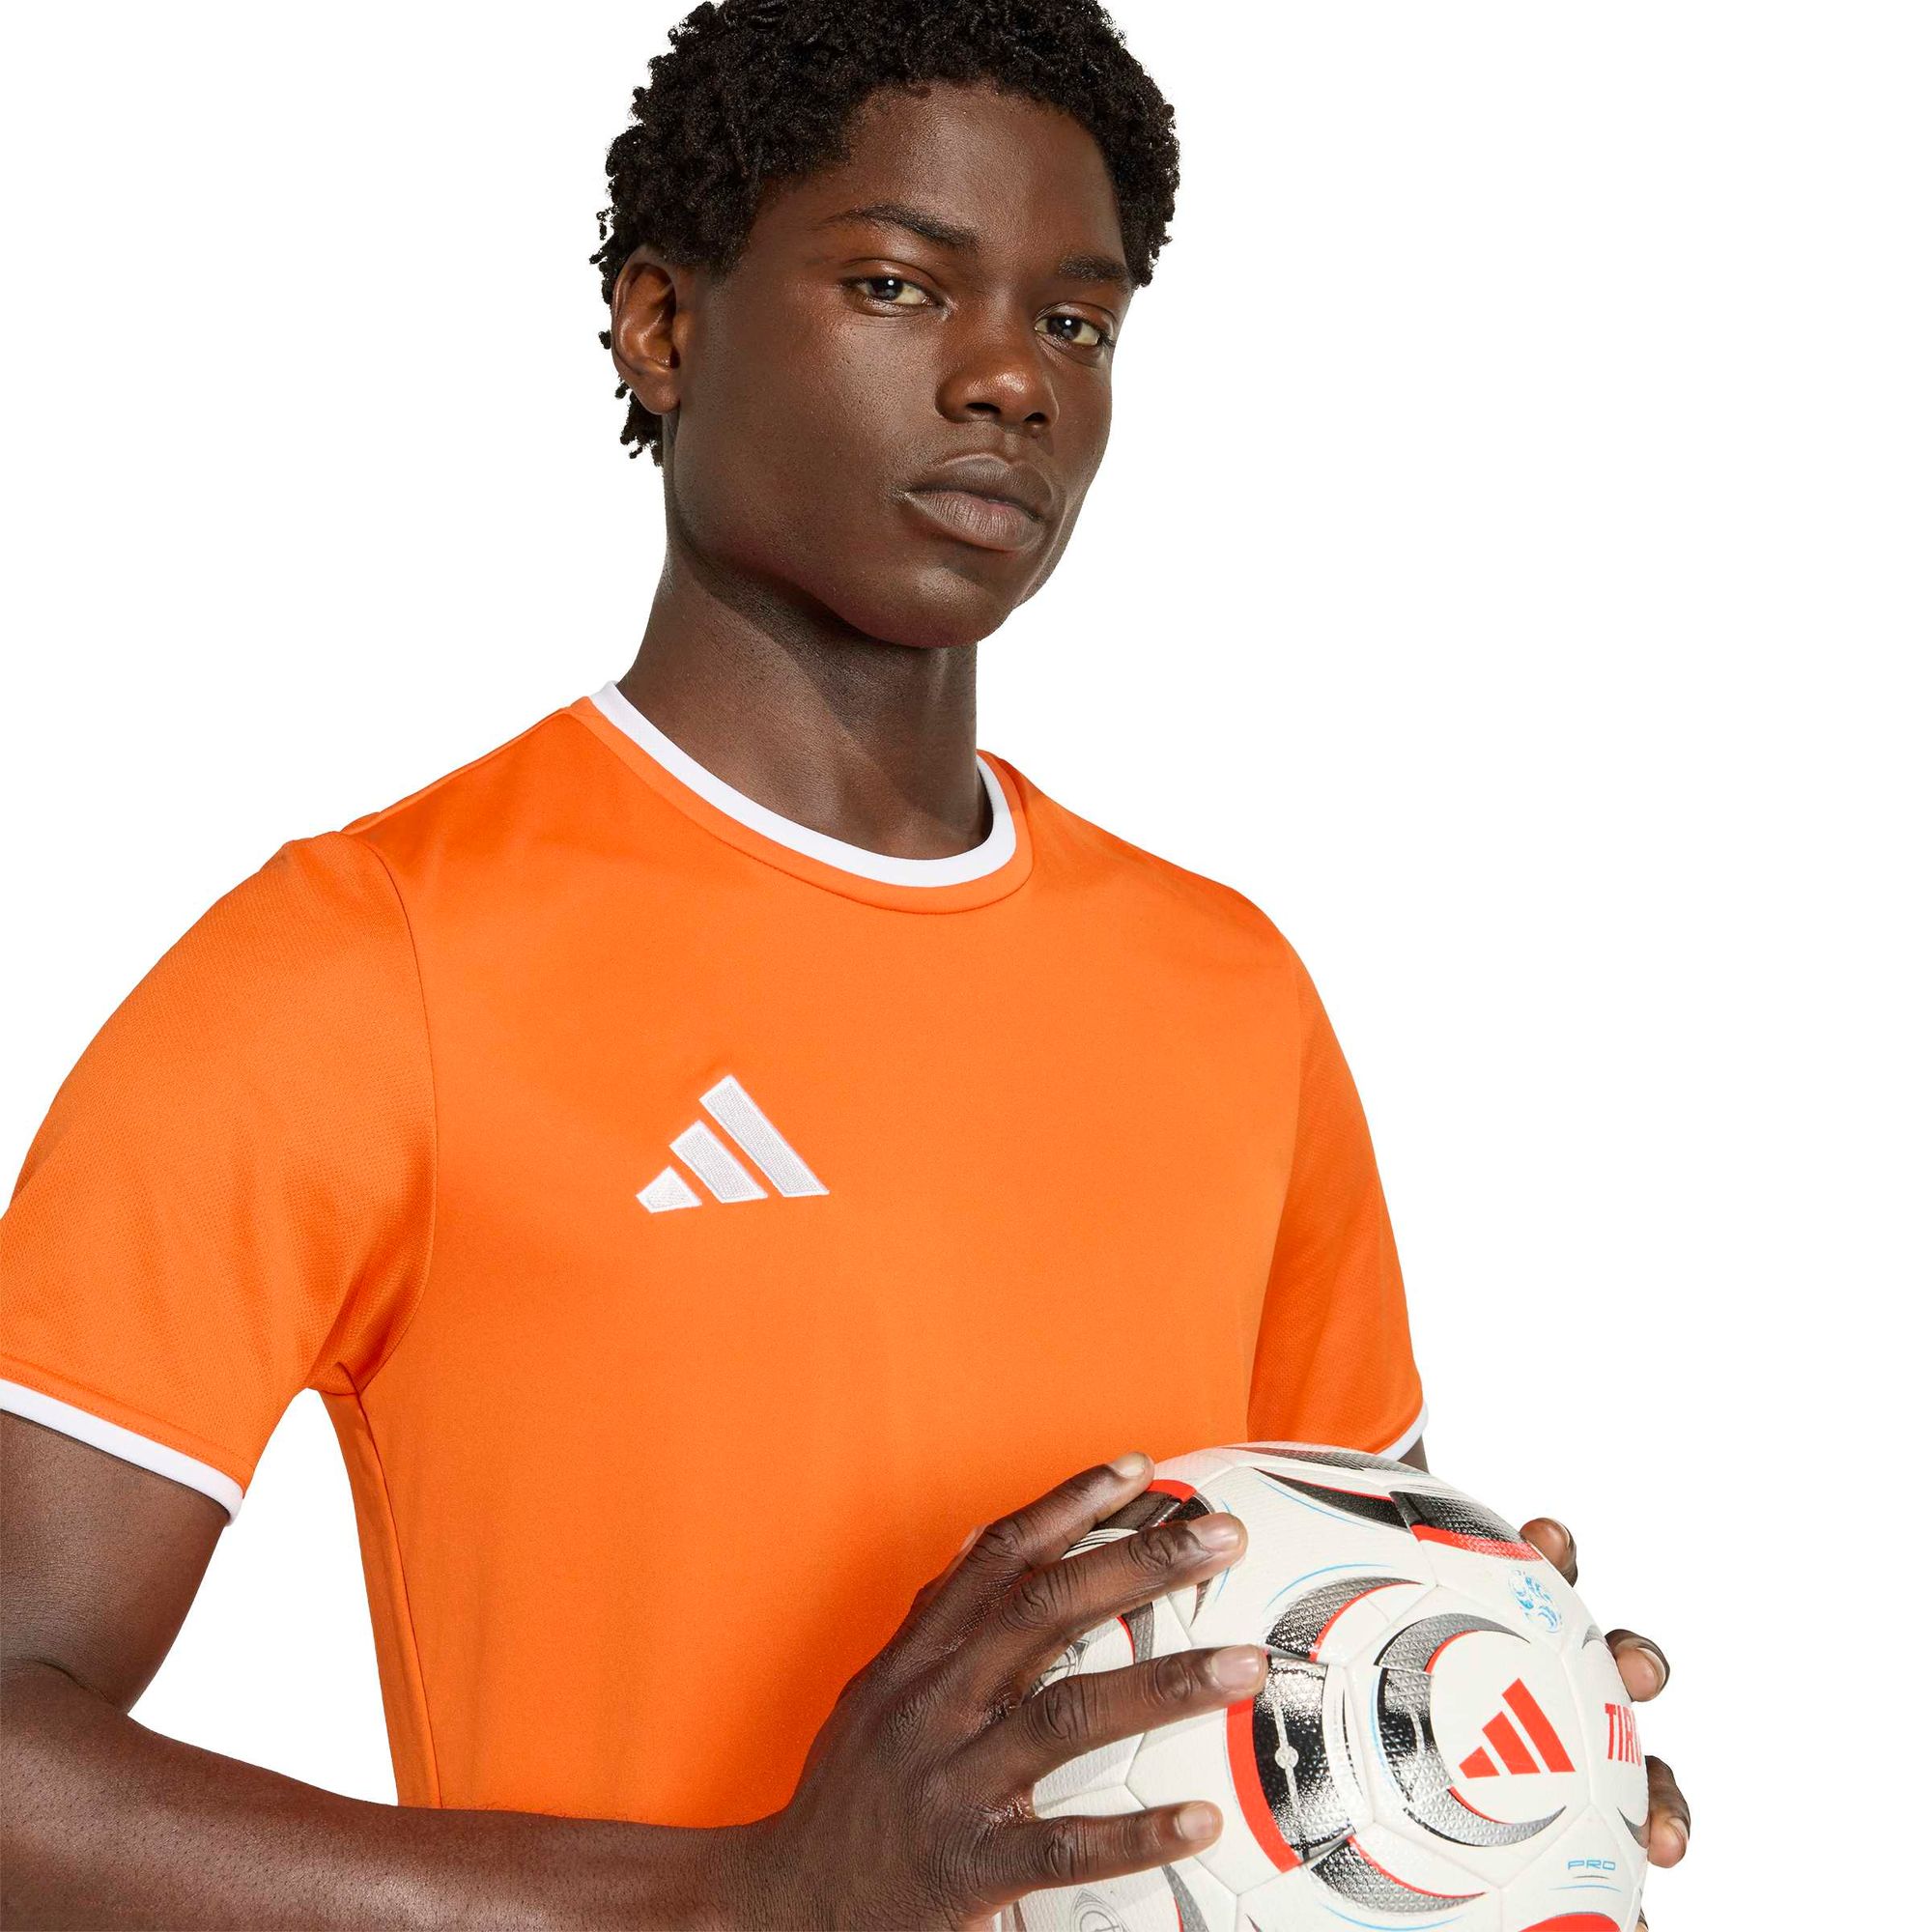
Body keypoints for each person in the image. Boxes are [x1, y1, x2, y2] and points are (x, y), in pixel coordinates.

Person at [0, 2, 1690, 1924]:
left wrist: (1475, 1769)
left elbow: (1283, 1661)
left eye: (1078, 322)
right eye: (898, 284)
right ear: (663, 324)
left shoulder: (1231, 992)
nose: (1009, 379)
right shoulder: (366, 961)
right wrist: (749, 1898)